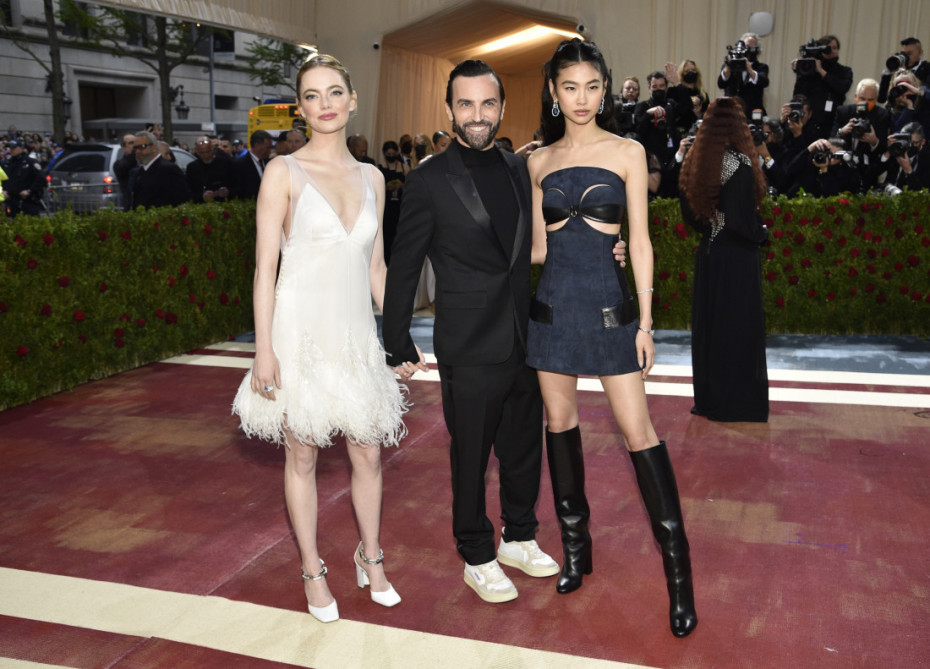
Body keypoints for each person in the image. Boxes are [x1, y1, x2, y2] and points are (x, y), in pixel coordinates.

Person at [527, 38, 697, 638]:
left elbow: (641, 242)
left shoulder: (628, 151)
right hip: (551, 311)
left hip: (610, 312)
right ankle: (577, 552)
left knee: (638, 432)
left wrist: (646, 323)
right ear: (554, 92)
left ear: (605, 90)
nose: (582, 98)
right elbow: (538, 250)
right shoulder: (537, 162)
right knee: (559, 425)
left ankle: (679, 576)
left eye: (592, 87)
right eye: (570, 87)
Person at [232, 53, 408, 624]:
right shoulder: (283, 172)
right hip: (298, 334)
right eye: (312, 95)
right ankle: (312, 568)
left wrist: (400, 337)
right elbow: (265, 269)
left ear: (353, 100)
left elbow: (377, 268)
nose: (325, 104)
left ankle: (370, 557)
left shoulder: (373, 177)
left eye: (335, 92)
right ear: (301, 109)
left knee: (369, 453)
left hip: (355, 337)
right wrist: (264, 349)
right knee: (302, 454)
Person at [381, 59, 562, 605]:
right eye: (466, 104)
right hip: (468, 339)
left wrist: (608, 249)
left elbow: (534, 247)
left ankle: (519, 536)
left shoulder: (517, 168)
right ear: (450, 109)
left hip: (523, 334)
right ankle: (477, 553)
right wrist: (397, 338)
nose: (477, 115)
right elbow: (405, 264)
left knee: (524, 446)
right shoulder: (428, 179)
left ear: (502, 107)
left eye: (487, 104)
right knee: (471, 455)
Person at [678, 97, 769, 423]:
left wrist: (711, 229)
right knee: (737, 329)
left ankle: (710, 399)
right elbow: (740, 223)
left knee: (713, 328)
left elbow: (690, 214)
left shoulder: (695, 162)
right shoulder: (740, 164)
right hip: (737, 258)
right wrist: (762, 232)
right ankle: (736, 403)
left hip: (710, 253)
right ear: (738, 125)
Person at [791, 35, 853, 139]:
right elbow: (798, 94)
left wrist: (821, 71)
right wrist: (801, 70)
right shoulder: (810, 69)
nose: (832, 51)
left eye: (835, 48)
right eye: (828, 48)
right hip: (809, 121)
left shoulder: (844, 71)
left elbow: (842, 88)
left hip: (832, 122)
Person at [130, 131, 190, 208]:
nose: (138, 151)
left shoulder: (169, 169)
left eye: (142, 146)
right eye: (135, 148)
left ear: (154, 147)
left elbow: (182, 199)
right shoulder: (141, 170)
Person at [717, 32, 770, 114]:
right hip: (731, 112)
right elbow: (721, 84)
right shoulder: (730, 66)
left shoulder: (761, 67)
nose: (748, 50)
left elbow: (764, 82)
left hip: (752, 112)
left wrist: (750, 70)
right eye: (746, 46)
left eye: (752, 47)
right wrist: (728, 66)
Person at [378, 140, 408, 265]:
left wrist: (402, 185)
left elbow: (413, 188)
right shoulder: (379, 168)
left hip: (400, 208)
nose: (391, 156)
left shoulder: (404, 167)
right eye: (388, 154)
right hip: (386, 209)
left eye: (393, 153)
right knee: (386, 238)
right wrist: (385, 187)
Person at [187, 135, 236, 203]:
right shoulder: (192, 168)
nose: (206, 155)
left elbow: (237, 186)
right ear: (197, 152)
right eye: (202, 153)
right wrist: (202, 197)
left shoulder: (226, 163)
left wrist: (228, 192)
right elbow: (189, 193)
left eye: (208, 151)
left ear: (212, 149)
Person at [2, 139, 45, 217]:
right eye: (10, 148)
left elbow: (41, 179)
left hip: (27, 200)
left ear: (21, 148)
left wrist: (30, 191)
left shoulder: (30, 162)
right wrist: (2, 191)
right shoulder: (7, 163)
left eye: (14, 148)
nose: (11, 150)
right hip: (12, 200)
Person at [234, 129, 273, 199]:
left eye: (270, 147)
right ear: (256, 145)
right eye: (267, 148)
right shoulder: (239, 165)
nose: (270, 151)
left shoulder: (270, 163)